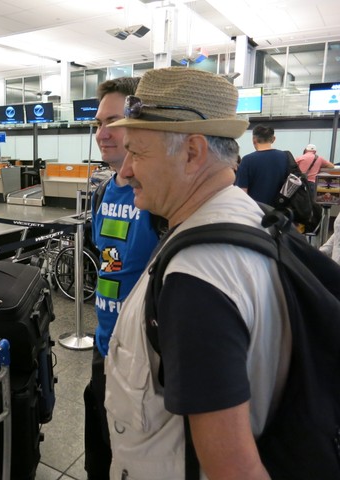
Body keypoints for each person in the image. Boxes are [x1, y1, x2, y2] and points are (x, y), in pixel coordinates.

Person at [105, 67, 286, 479]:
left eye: (138, 153)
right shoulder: (251, 219)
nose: (126, 170)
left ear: (192, 152)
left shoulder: (197, 279)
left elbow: (234, 469)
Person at [85, 77, 160, 480]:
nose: (102, 133)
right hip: (105, 342)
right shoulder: (104, 191)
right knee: (100, 452)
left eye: (113, 122)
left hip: (142, 355)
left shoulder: (157, 196)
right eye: (99, 123)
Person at [235, 124, 289, 204]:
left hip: (255, 209)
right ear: (273, 139)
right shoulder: (285, 157)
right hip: (279, 209)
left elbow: (242, 192)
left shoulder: (247, 160)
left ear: (254, 139)